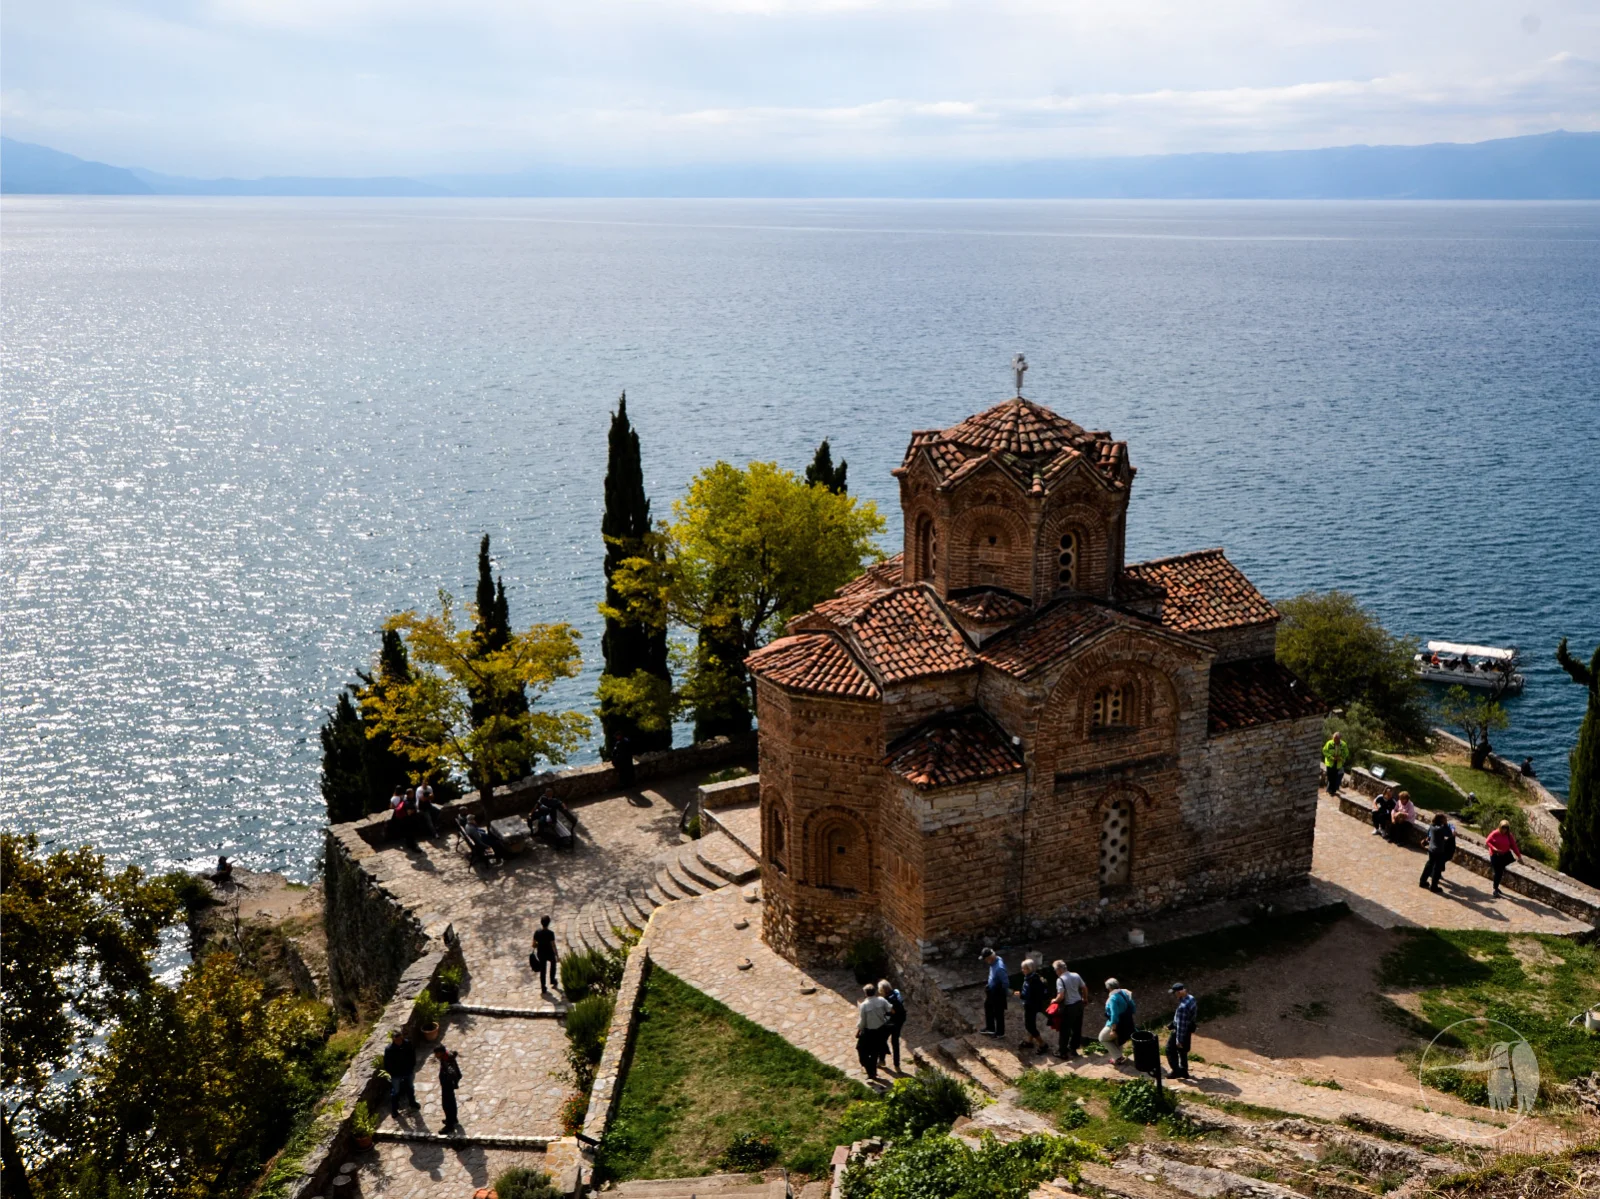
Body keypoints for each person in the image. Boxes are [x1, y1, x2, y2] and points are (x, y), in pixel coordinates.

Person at [856, 982, 891, 1082]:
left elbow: (862, 1021)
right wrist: (885, 1020)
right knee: (874, 1053)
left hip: (868, 1032)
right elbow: (890, 1010)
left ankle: (870, 1072)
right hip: (880, 1031)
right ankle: (873, 1073)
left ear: (866, 993)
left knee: (861, 1051)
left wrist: (858, 1031)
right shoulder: (882, 1000)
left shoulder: (864, 1005)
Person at [1053, 960, 1087, 1059]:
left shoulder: (1060, 980)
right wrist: (1085, 999)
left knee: (1065, 1030)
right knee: (1077, 1028)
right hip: (1079, 1004)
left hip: (1069, 1007)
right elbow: (1084, 988)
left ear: (1059, 969)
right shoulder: (1076, 975)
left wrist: (1054, 1001)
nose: (1055, 972)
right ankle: (1073, 1049)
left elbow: (1061, 996)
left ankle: (1062, 1052)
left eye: (1055, 970)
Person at [1019, 958, 1051, 1053]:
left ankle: (1042, 1044)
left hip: (1031, 1006)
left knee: (1029, 1026)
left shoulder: (1033, 981)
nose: (1022, 970)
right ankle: (1029, 1041)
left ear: (1029, 969)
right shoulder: (1034, 977)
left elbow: (1029, 995)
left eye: (1024, 968)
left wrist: (1020, 995)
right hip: (1034, 1005)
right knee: (1031, 1023)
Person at [1166, 983, 1197, 1080]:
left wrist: (1179, 1040)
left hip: (1181, 1031)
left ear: (1179, 992)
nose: (1174, 995)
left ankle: (1176, 1071)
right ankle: (1184, 1070)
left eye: (1174, 993)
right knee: (1183, 1051)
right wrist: (1173, 1022)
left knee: (1169, 1050)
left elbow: (1181, 1026)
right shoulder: (1191, 998)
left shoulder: (1182, 1007)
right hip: (1188, 1028)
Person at [1100, 978, 1135, 1064]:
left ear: (1109, 988)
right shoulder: (1125, 992)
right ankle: (1117, 1057)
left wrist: (1113, 1029)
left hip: (1117, 1024)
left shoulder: (1113, 998)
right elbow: (1133, 1007)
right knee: (1117, 1038)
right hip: (1127, 1022)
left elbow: (1114, 1015)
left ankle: (1118, 1057)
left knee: (1102, 1038)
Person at [383, 1028, 419, 1112]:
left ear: (402, 1037)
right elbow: (387, 1064)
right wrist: (392, 1072)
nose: (399, 1041)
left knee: (410, 1087)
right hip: (396, 1074)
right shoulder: (389, 1049)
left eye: (400, 1038)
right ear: (393, 1039)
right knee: (395, 1091)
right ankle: (394, 1109)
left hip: (408, 1071)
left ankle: (412, 1103)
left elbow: (412, 1055)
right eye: (396, 1039)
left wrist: (412, 1066)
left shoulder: (407, 1044)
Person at [1485, 819, 1523, 898]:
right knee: (1498, 872)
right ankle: (1495, 889)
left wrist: (1519, 856)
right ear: (1500, 827)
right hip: (1495, 855)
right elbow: (1487, 841)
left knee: (1500, 872)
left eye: (1506, 828)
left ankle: (1496, 887)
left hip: (1504, 856)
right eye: (1503, 828)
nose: (1504, 830)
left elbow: (1514, 846)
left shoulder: (1509, 835)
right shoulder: (1495, 833)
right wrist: (1494, 848)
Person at [1420, 812, 1456, 892]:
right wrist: (1446, 824)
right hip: (1438, 851)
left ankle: (1422, 881)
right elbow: (1450, 834)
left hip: (1431, 849)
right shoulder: (1441, 829)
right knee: (1437, 869)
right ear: (1441, 820)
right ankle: (1434, 886)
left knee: (1429, 865)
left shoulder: (1432, 826)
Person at [877, 979, 907, 1073]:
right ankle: (897, 1066)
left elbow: (888, 1012)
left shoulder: (885, 1000)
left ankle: (882, 1060)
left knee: (882, 1040)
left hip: (891, 1022)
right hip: (900, 1020)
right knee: (895, 1042)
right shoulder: (896, 992)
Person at [979, 948, 1008, 1037]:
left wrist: (1001, 994)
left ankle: (1000, 1033)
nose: (985, 961)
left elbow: (1006, 982)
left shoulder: (999, 968)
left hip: (997, 992)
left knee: (998, 1012)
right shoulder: (995, 960)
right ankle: (990, 1028)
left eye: (985, 959)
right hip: (991, 990)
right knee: (988, 1006)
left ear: (989, 958)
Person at [433, 1046, 462, 1134]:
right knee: (452, 1103)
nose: (435, 1055)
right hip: (448, 1085)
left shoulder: (447, 1061)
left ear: (440, 1052)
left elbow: (452, 1072)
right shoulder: (446, 1057)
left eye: (436, 1053)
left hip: (447, 1085)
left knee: (447, 1105)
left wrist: (450, 1082)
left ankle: (449, 1125)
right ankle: (453, 1119)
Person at [531, 915, 559, 990]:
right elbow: (553, 945)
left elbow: (533, 944)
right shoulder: (551, 933)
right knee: (553, 965)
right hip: (550, 953)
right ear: (548, 923)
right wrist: (557, 955)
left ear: (541, 923)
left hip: (541, 953)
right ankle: (552, 980)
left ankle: (543, 986)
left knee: (543, 970)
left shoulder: (537, 932)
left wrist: (539, 945)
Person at [1322, 732, 1351, 796]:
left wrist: (1341, 757)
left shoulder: (1343, 745)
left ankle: (1332, 791)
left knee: (1335, 777)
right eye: (1334, 738)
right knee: (1330, 776)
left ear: (1339, 739)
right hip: (1330, 763)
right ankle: (1330, 789)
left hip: (1338, 764)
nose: (1334, 740)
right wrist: (1331, 757)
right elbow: (1324, 751)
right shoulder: (1329, 743)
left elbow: (1346, 753)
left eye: (1336, 739)